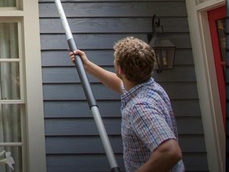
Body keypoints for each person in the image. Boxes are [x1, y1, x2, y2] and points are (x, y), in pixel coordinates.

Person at [70, 37, 183, 172]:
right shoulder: (150, 87)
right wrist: (87, 65)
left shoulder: (140, 107)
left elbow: (170, 151)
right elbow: (120, 84)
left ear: (120, 69)